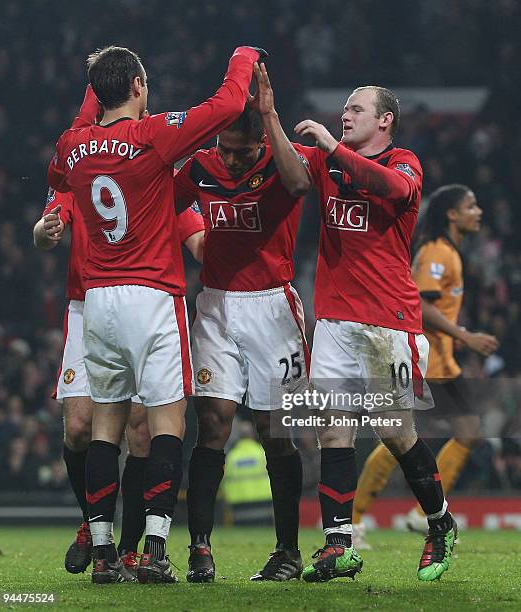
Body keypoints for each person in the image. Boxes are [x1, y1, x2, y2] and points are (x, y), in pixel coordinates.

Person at [47, 44, 263, 584]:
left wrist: (94, 86)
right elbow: (228, 102)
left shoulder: (73, 146)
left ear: (96, 95)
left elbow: (60, 168)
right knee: (167, 422)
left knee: (106, 426)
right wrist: (243, 55)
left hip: (97, 301)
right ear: (140, 86)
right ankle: (157, 550)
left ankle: (102, 552)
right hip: (151, 294)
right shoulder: (153, 137)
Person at [294, 86, 457, 582]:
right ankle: (338, 546)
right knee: (332, 429)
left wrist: (329, 146)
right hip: (335, 319)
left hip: (389, 320)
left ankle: (440, 521)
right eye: (343, 108)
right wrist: (261, 110)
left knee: (394, 431)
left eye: (356, 109)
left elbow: (395, 190)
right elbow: (278, 157)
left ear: (384, 120)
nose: (344, 115)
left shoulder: (404, 162)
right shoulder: (325, 159)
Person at [174, 63, 312, 583]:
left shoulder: (280, 162)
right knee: (212, 423)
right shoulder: (202, 164)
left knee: (274, 432)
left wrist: (270, 115)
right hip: (216, 305)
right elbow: (168, 205)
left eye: (241, 150)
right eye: (225, 148)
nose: (231, 158)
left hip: (274, 307)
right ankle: (200, 549)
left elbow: (300, 184)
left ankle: (287, 552)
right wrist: (193, 238)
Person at [33, 185, 204, 578]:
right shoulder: (84, 160)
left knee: (142, 430)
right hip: (87, 303)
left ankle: (126, 549)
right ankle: (93, 526)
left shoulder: (155, 172)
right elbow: (44, 232)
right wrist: (45, 230)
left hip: (145, 302)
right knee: (78, 427)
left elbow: (196, 237)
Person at [352, 184, 499, 544]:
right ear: (451, 214)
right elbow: (422, 304)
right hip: (426, 359)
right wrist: (466, 336)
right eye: (471, 205)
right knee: (402, 437)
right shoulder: (436, 252)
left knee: (462, 432)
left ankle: (420, 514)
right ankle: (354, 519)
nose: (477, 212)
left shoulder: (448, 251)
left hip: (441, 360)